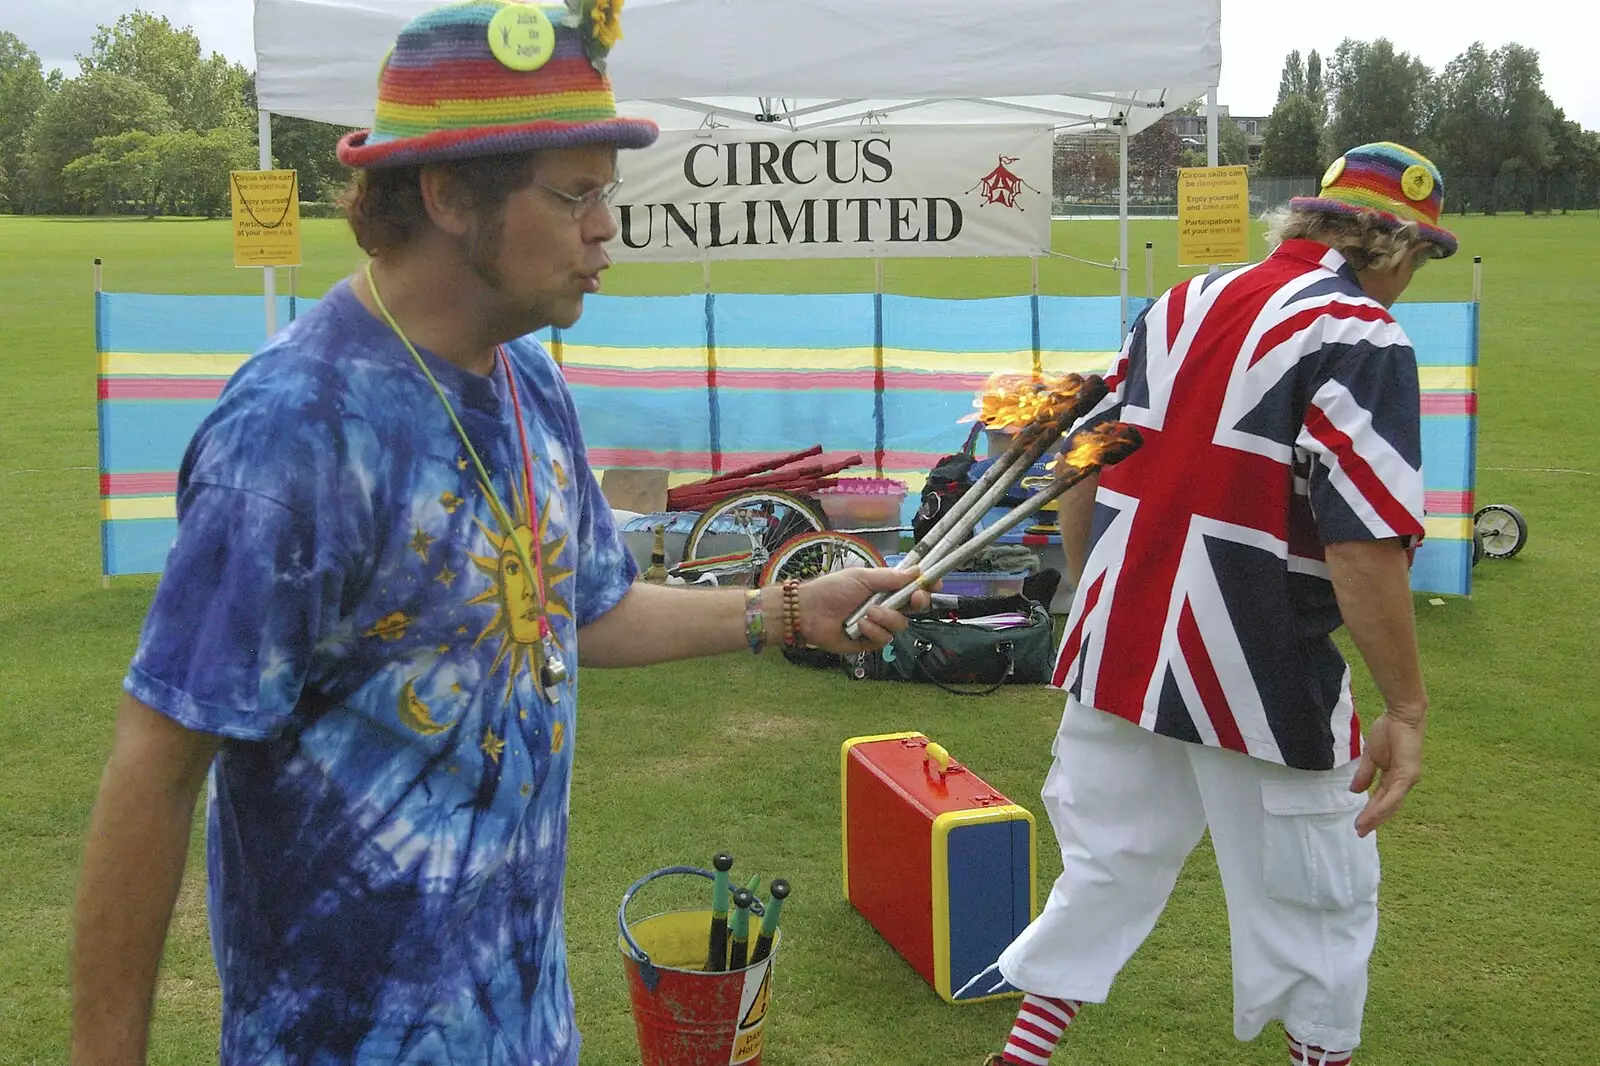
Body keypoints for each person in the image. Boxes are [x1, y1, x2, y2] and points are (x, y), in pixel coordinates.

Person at [68, 3, 925, 1063]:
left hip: (523, 1029)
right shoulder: (294, 433)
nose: (606, 226)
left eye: (606, 194)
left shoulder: (526, 380)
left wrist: (787, 608)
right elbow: (156, 764)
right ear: (446, 194)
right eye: (575, 195)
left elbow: (587, 609)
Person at [983, 142, 1453, 1066]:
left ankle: (1023, 1055)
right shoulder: (1363, 334)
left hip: (1120, 646)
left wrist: (1093, 597)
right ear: (1396, 249)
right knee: (1318, 896)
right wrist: (1406, 705)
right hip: (1261, 664)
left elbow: (1085, 464)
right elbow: (1359, 544)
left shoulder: (1181, 301)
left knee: (1105, 864)